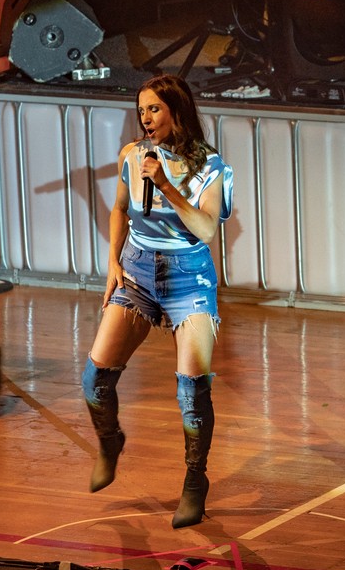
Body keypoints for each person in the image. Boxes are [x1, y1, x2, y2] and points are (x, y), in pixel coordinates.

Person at [83, 74, 233, 528]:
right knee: (95, 378)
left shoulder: (211, 166)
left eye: (154, 109)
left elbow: (206, 229)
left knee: (191, 391)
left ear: (176, 111)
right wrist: (112, 262)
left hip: (189, 279)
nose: (146, 118)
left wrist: (166, 185)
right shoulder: (132, 156)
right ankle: (110, 441)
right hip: (137, 271)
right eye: (141, 110)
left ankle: (194, 482)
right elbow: (119, 209)